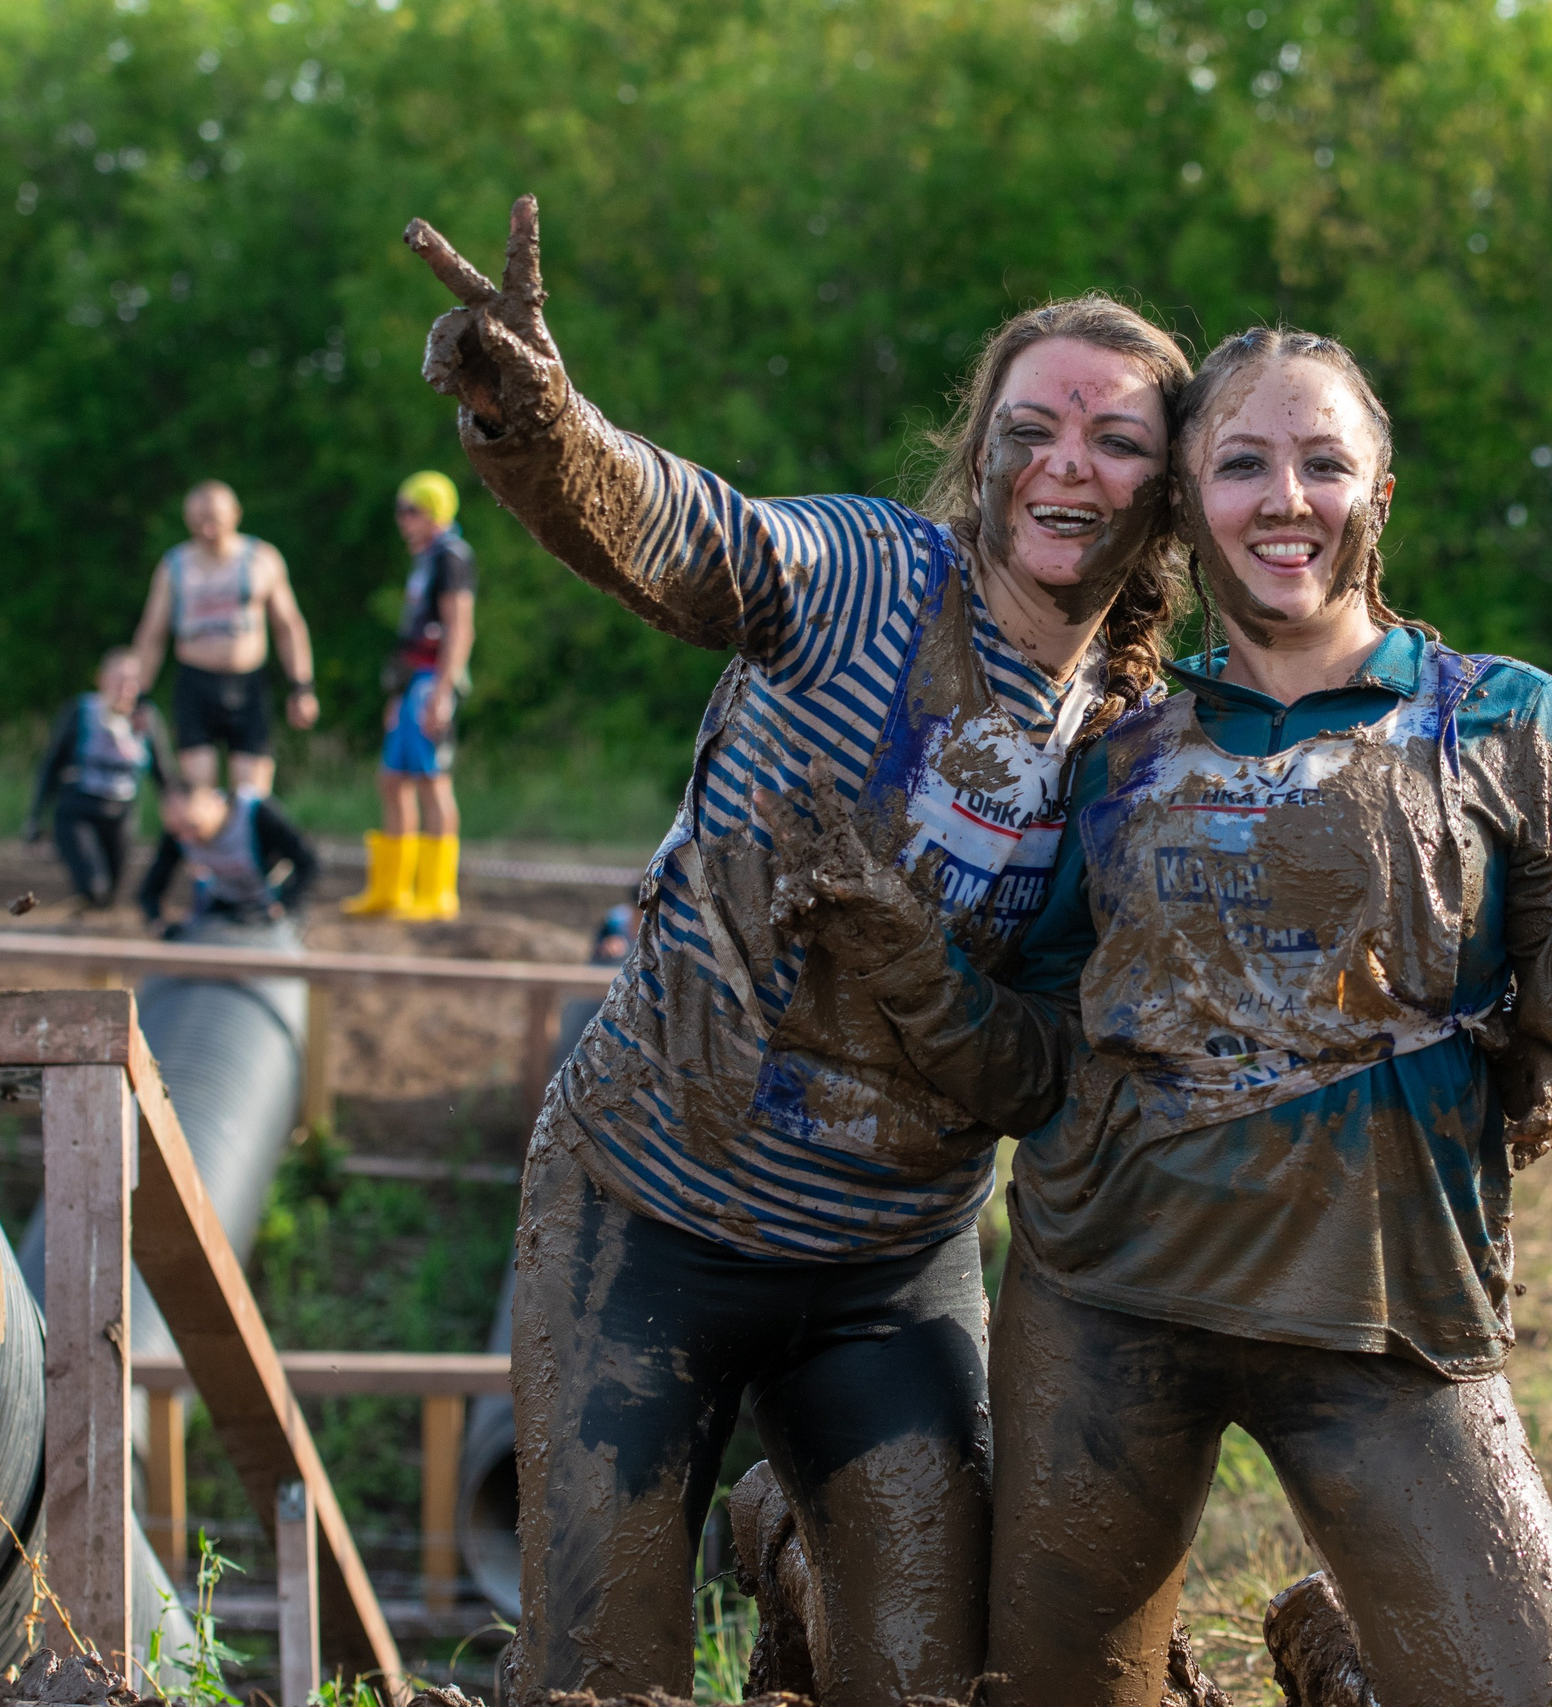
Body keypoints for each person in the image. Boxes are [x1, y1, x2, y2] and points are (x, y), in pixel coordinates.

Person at [775, 328, 1552, 1707]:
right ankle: (795, 1558)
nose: (1287, 497)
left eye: (1324, 462)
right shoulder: (1113, 746)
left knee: (1515, 1685)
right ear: (1187, 503)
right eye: (1242, 463)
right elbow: (1031, 1064)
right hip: (1106, 1300)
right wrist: (912, 963)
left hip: (1386, 1303)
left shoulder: (1502, 720)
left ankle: (1332, 1650)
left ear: (1377, 494)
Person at [403, 197, 1193, 1706]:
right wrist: (540, 415)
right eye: (1032, 428)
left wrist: (918, 967)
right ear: (980, 453)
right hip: (649, 1209)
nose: (1066, 465)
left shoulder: (1140, 752)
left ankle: (784, 1541)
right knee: (602, 1675)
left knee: (931, 1677)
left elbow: (1043, 1063)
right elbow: (694, 535)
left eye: (1115, 442)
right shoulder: (864, 578)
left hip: (888, 1270)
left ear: (1162, 498)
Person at [341, 471, 480, 920]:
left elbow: (459, 628)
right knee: (392, 777)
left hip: (431, 680)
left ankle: (438, 892)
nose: (403, 520)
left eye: (411, 510)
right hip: (410, 682)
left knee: (432, 780)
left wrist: (443, 690)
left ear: (434, 512)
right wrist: (396, 694)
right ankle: (392, 888)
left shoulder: (453, 557)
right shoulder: (424, 558)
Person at [129, 480, 319, 797]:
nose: (206, 528)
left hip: (248, 685)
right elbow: (152, 633)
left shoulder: (261, 559)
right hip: (195, 684)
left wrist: (302, 686)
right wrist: (139, 694)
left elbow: (289, 627)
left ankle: (253, 847)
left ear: (235, 514)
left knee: (252, 797)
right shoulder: (175, 565)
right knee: (198, 796)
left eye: (214, 518)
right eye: (197, 519)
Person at [25, 647, 169, 909]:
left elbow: (164, 775)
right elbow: (51, 765)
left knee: (111, 896)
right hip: (78, 811)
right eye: (118, 680)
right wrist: (35, 819)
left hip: (121, 814)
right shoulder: (80, 712)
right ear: (101, 679)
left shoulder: (146, 720)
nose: (124, 688)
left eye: (131, 681)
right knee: (94, 888)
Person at [136, 780, 318, 934]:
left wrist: (287, 903)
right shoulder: (180, 830)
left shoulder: (256, 814)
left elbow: (309, 863)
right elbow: (152, 884)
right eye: (176, 831)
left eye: (192, 827)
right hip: (225, 902)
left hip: (270, 899)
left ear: (212, 804)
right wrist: (156, 919)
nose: (186, 839)